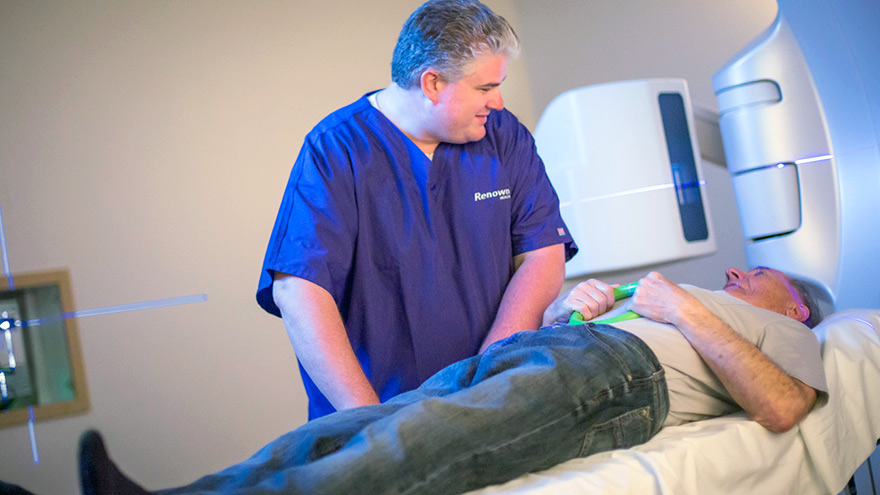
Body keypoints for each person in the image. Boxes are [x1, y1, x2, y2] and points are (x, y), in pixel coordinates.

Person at [60, 266, 825, 495]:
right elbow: (574, 308)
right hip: (556, 345)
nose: (735, 270)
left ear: (791, 301)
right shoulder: (705, 305)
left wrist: (685, 307)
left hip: (617, 379)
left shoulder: (789, 332)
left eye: (755, 272)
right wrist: (571, 303)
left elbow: (785, 405)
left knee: (411, 444)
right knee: (346, 428)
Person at [255, 0, 577, 420]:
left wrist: (485, 379)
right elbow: (299, 289)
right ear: (432, 84)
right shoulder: (338, 148)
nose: (497, 102)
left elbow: (542, 256)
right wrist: (372, 422)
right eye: (484, 88)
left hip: (493, 400)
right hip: (374, 411)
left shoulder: (503, 137)